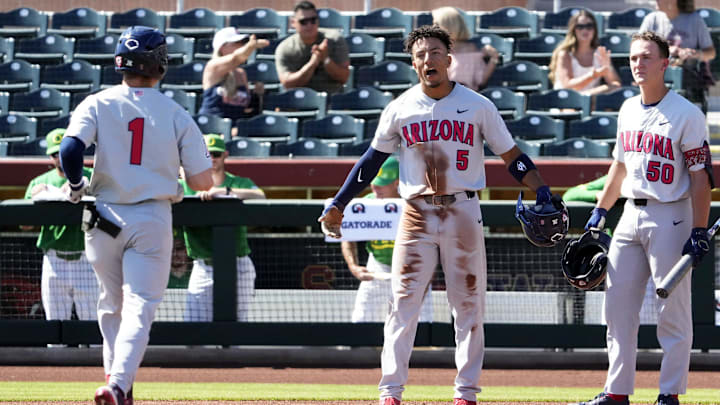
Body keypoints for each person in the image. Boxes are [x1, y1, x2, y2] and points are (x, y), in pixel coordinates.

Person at [319, 25, 565, 405]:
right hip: (416, 212)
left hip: (463, 209)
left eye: (435, 52)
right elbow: (371, 163)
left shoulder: (478, 104)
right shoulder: (400, 108)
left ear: (448, 60)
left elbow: (512, 157)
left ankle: (466, 393)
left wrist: (542, 188)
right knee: (402, 303)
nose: (428, 59)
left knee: (468, 304)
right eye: (420, 54)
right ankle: (390, 392)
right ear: (413, 63)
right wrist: (339, 201)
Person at [58, 26, 213, 405]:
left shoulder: (97, 102)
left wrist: (77, 186)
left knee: (111, 306)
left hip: (102, 216)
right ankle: (118, 385)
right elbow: (202, 179)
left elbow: (69, 149)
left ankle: (116, 382)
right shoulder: (175, 112)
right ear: (160, 63)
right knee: (140, 305)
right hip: (150, 216)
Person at [573, 31, 712, 405]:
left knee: (673, 311)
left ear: (665, 64)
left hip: (671, 214)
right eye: (634, 57)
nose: (638, 63)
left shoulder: (687, 114)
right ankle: (617, 391)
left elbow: (700, 178)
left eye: (647, 57)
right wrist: (600, 213)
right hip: (629, 215)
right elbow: (618, 168)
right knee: (617, 308)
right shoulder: (627, 109)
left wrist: (699, 229)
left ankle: (669, 393)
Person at [181, 134, 265, 322]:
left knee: (235, 322)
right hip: (204, 264)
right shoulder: (185, 185)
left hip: (237, 263)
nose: (211, 158)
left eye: (216, 154)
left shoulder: (238, 182)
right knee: (193, 325)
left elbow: (261, 196)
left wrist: (223, 192)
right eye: (206, 154)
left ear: (225, 155)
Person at [340, 157, 433, 323]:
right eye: (374, 181)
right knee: (361, 321)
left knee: (421, 328)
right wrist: (353, 267)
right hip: (378, 266)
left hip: (413, 269)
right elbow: (347, 236)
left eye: (382, 183)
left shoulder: (417, 204)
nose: (375, 186)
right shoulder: (366, 203)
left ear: (398, 183)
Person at [24, 128, 98, 323]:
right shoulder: (40, 182)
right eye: (56, 154)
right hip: (54, 258)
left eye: (64, 152)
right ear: (50, 157)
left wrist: (82, 186)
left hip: (86, 257)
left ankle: (93, 355)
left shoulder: (92, 175)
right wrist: (37, 199)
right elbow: (25, 226)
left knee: (92, 322)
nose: (60, 158)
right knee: (55, 320)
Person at [639, 0, 716, 113]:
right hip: (656, 75)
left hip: (687, 78)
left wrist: (694, 54)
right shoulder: (651, 19)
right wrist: (666, 50)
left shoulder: (694, 20)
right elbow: (638, 48)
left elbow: (711, 53)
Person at [198, 27, 270, 134]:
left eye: (242, 43)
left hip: (236, 130)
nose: (241, 46)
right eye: (236, 43)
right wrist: (250, 46)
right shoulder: (213, 66)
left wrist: (257, 96)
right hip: (210, 128)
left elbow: (247, 110)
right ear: (222, 47)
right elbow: (236, 58)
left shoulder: (241, 74)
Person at [275, 1, 350, 95]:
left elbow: (344, 77)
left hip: (332, 98)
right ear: (293, 23)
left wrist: (326, 59)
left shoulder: (334, 39)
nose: (309, 25)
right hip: (299, 100)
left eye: (313, 20)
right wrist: (312, 63)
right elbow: (288, 83)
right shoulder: (285, 47)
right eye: (303, 22)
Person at [548, 10, 621, 96]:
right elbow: (567, 86)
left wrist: (607, 69)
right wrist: (592, 75)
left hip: (591, 99)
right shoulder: (565, 53)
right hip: (565, 100)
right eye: (580, 26)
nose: (585, 30)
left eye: (589, 26)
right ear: (573, 29)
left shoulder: (600, 53)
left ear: (595, 29)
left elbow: (616, 84)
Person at [431, 6, 499, 92]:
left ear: (449, 26)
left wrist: (494, 58)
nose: (433, 28)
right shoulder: (434, 51)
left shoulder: (470, 51)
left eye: (437, 24)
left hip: (465, 100)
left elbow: (480, 80)